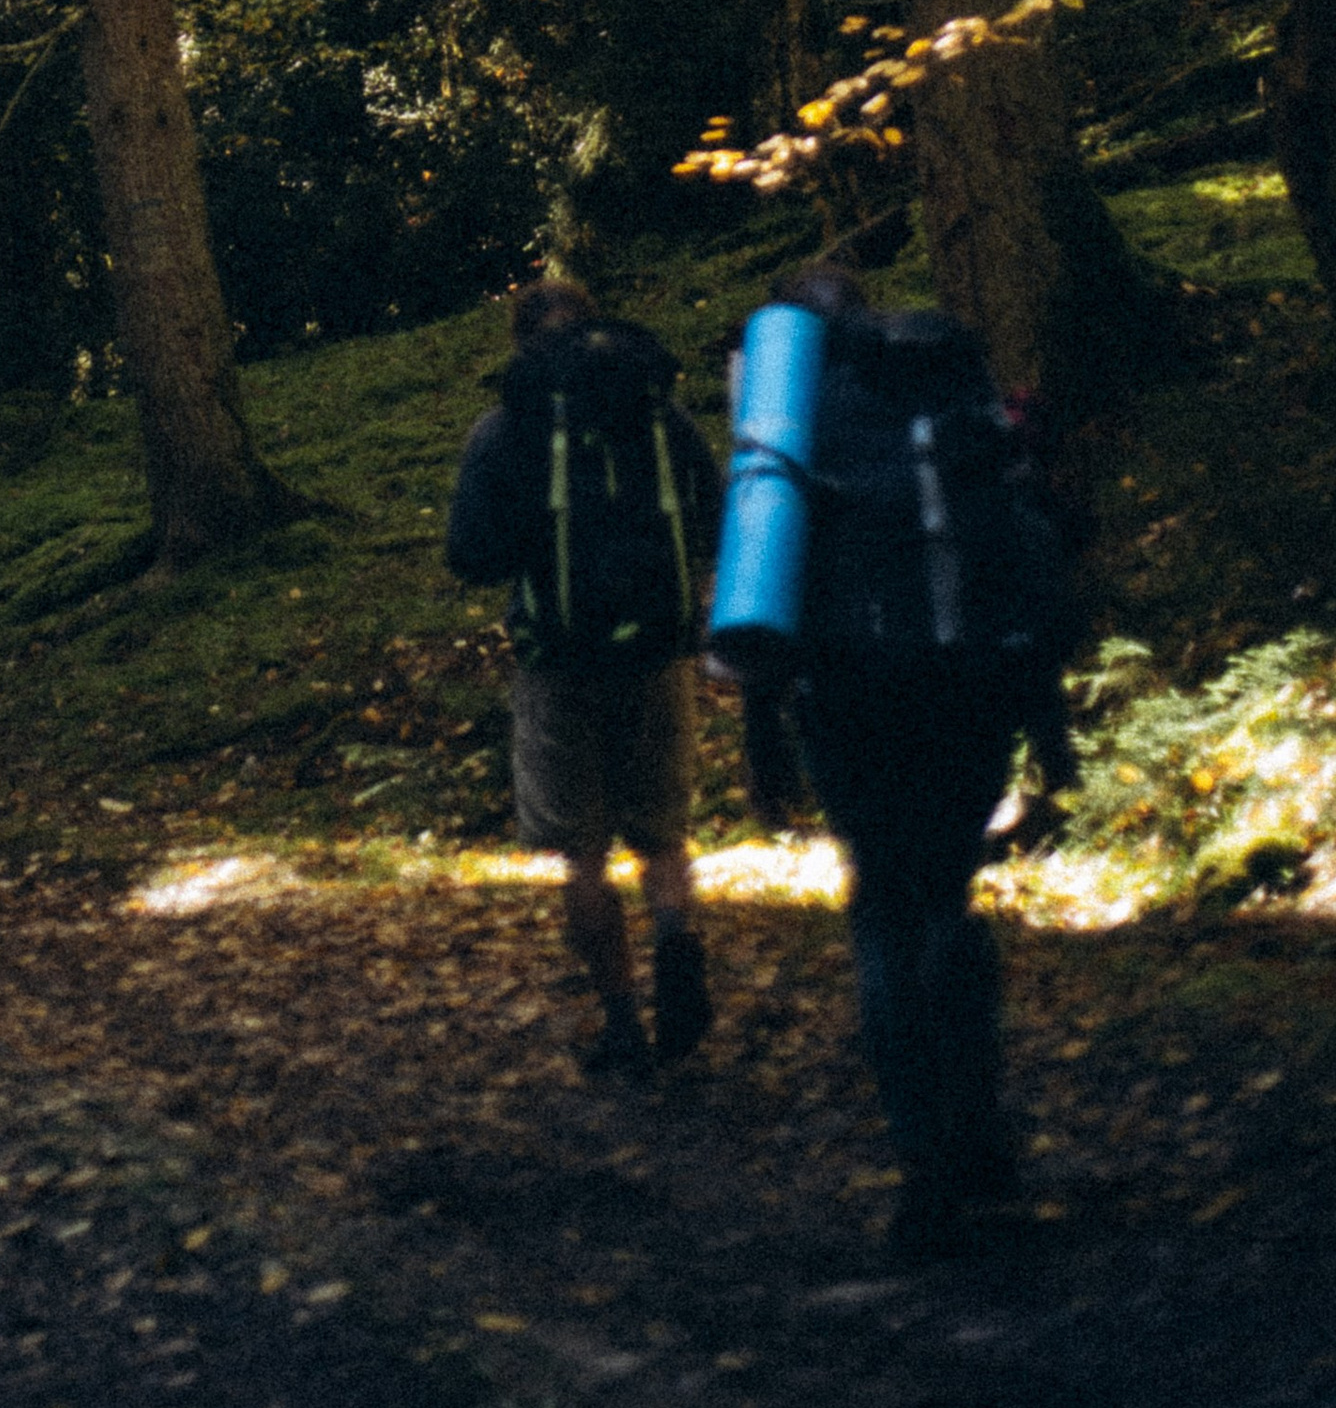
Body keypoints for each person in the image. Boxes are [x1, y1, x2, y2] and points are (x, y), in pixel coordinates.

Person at [741, 263, 1078, 1264]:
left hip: (851, 697)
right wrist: (1050, 731)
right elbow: (1025, 538)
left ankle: (924, 1173)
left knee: (883, 911)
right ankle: (984, 1143)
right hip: (975, 682)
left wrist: (766, 745)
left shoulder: (790, 421)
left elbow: (762, 589)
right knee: (948, 897)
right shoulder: (946, 379)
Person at [446, 276, 723, 1074]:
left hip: (558, 665)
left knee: (584, 855)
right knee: (663, 835)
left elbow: (470, 555)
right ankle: (675, 939)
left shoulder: (506, 427)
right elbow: (712, 516)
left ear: (521, 341)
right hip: (658, 654)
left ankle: (623, 1023)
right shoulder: (662, 414)